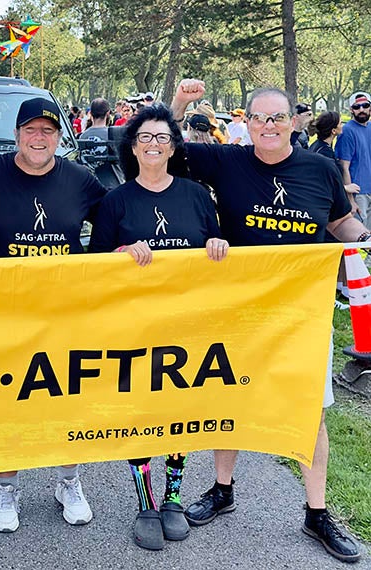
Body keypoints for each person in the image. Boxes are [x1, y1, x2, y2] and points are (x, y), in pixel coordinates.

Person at [171, 78, 365, 563]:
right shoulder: (228, 161)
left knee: (309, 410)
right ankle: (222, 489)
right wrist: (179, 104)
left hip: (304, 311)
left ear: (293, 122)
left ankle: (316, 512)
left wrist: (361, 239)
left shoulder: (320, 170)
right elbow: (164, 148)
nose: (269, 126)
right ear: (248, 123)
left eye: (278, 117)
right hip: (239, 309)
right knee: (229, 398)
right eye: (260, 118)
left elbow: (342, 223)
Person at [89, 103, 228, 551]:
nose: (153, 145)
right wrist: (123, 252)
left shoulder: (195, 195)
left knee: (178, 415)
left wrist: (217, 243)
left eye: (162, 138)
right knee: (140, 414)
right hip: (134, 327)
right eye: (145, 137)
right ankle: (145, 502)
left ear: (173, 147)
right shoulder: (115, 201)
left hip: (185, 325)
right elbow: (93, 269)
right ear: (133, 146)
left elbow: (212, 245)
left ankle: (173, 497)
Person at [0, 97, 107, 533]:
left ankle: (69, 480)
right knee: (7, 399)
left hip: (62, 312)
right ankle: (5, 486)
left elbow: (119, 218)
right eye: (31, 129)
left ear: (60, 136)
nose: (39, 138)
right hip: (3, 312)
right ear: (16, 135)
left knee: (65, 398)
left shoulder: (81, 180)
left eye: (48, 130)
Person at [335, 91, 371, 228]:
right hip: (358, 193)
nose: (361, 110)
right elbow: (344, 166)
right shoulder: (347, 131)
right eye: (357, 107)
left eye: (365, 105)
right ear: (351, 110)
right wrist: (351, 200)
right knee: (359, 237)